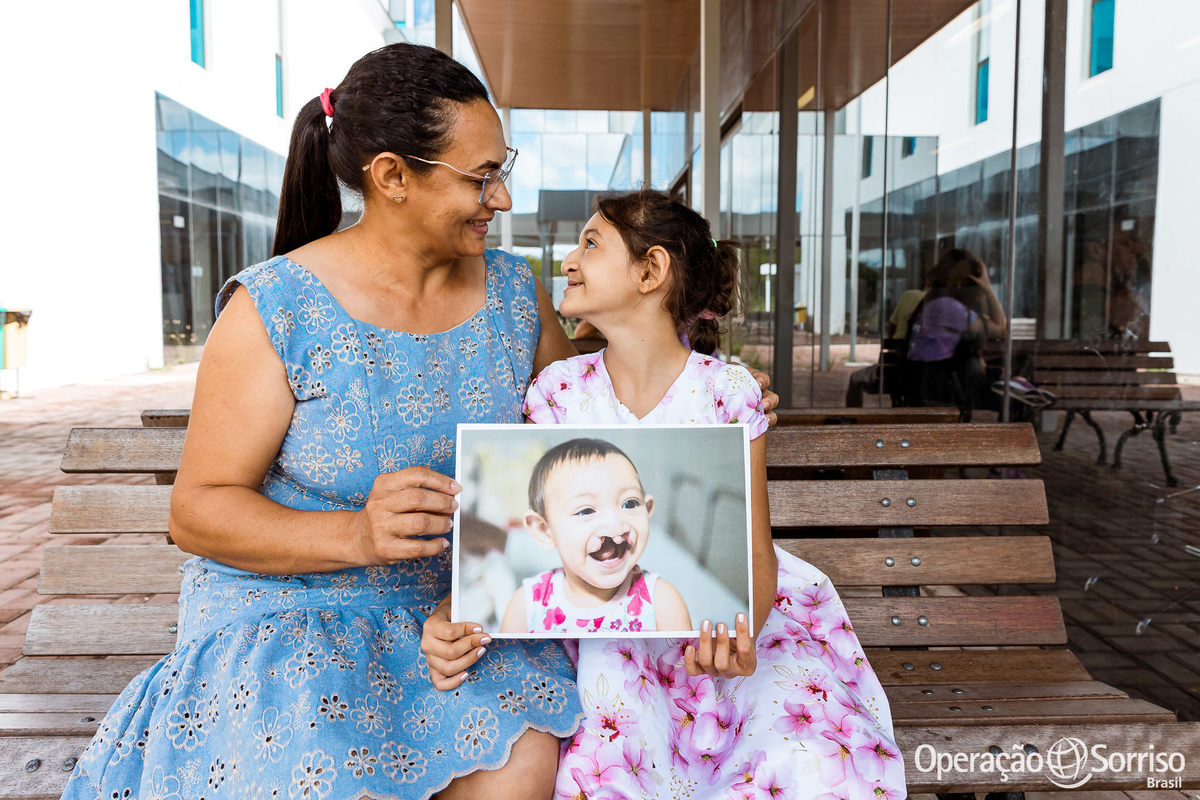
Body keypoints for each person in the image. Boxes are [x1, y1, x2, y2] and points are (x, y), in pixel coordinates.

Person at [62, 43, 588, 800]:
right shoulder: (274, 307)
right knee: (326, 772)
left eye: (501, 170)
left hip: (459, 613)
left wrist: (709, 387)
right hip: (292, 611)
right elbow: (198, 510)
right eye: (480, 178)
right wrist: (355, 536)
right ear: (392, 177)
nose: (500, 199)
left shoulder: (513, 293)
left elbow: (581, 425)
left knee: (522, 768)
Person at [429, 189, 903, 798]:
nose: (569, 261)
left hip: (723, 625)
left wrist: (741, 635)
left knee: (801, 758)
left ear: (651, 271)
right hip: (607, 631)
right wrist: (467, 606)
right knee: (614, 751)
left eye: (591, 244)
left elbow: (754, 551)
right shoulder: (558, 393)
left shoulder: (728, 393)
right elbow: (527, 534)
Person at [500, 438, 690, 635]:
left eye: (630, 504)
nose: (615, 526)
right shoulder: (526, 606)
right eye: (586, 511)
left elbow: (681, 665)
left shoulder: (662, 603)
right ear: (544, 531)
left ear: (647, 509)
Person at [901, 248, 1006, 411]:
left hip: (927, 381)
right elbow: (999, 330)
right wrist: (987, 287)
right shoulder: (946, 306)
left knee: (1007, 379)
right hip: (938, 385)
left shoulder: (935, 301)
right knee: (1010, 390)